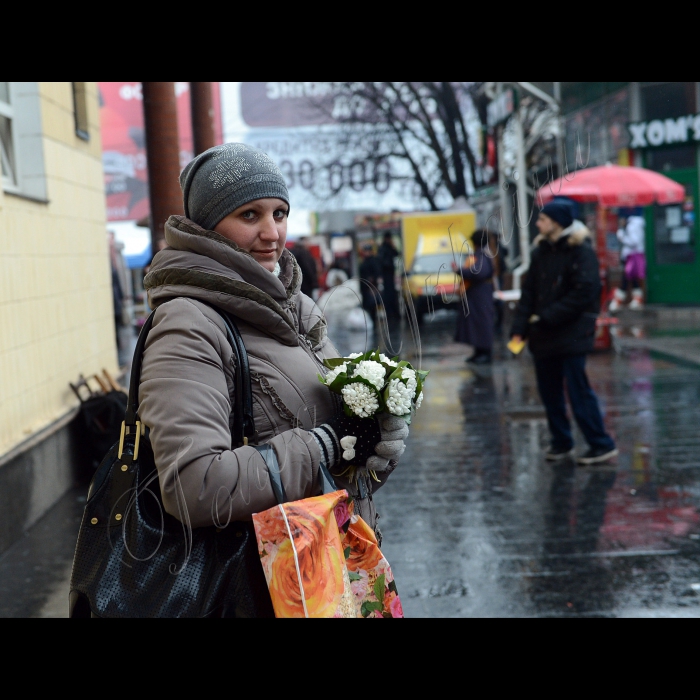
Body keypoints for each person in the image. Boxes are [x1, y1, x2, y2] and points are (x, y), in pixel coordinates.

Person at [138, 144, 409, 609]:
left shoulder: (297, 310)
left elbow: (329, 465)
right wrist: (326, 443)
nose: (273, 233)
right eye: (249, 215)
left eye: (280, 213)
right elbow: (194, 487)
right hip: (259, 590)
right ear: (207, 226)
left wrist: (373, 446)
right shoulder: (189, 324)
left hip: (330, 574)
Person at [510, 201, 618, 465]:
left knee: (578, 390)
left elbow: (585, 292)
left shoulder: (581, 251)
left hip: (572, 334)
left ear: (557, 222)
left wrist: (547, 316)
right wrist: (519, 330)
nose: (538, 223)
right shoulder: (540, 252)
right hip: (543, 336)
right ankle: (561, 442)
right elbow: (529, 295)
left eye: (543, 219)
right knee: (550, 393)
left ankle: (600, 444)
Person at [452, 229, 495, 364]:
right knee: (476, 324)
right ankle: (478, 351)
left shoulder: (481, 256)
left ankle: (485, 352)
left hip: (480, 295)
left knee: (482, 323)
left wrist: (459, 270)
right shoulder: (483, 255)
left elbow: (478, 273)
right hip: (477, 295)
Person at [610, 214, 646, 311]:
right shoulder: (634, 224)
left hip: (633, 257)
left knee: (627, 277)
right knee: (632, 278)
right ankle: (636, 299)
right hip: (630, 256)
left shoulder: (633, 225)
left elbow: (634, 241)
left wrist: (621, 236)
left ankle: (618, 300)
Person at [377, 232, 400, 319]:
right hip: (387, 273)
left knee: (391, 293)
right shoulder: (383, 248)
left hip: (390, 273)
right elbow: (382, 260)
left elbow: (396, 253)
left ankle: (392, 312)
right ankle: (390, 312)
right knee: (389, 294)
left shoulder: (388, 247)